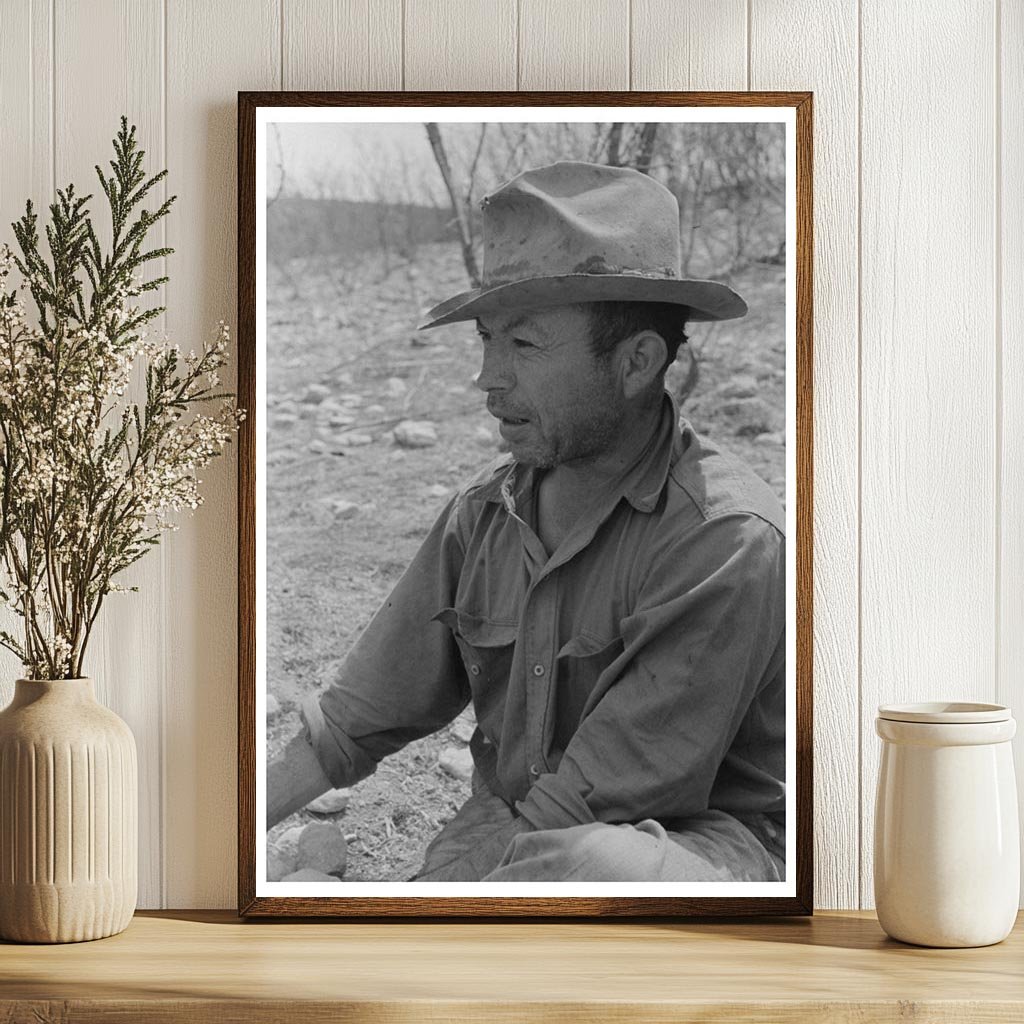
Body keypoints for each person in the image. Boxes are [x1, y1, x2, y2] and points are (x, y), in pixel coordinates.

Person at [267, 161, 787, 883]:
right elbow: (351, 722)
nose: (488, 378)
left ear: (637, 362)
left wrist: (431, 910)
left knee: (599, 866)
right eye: (486, 339)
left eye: (524, 345)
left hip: (686, 853)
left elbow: (591, 802)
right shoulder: (485, 515)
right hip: (521, 838)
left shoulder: (724, 539)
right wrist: (205, 832)